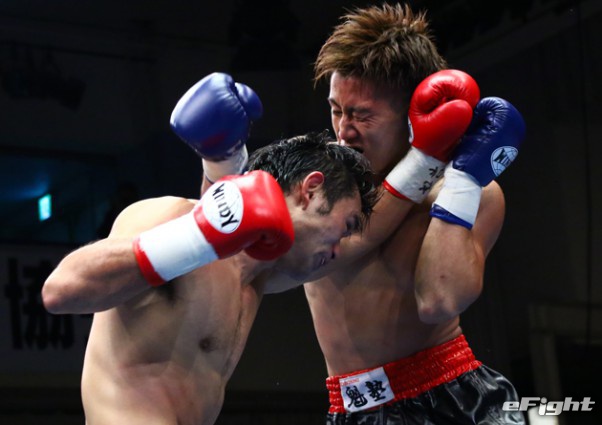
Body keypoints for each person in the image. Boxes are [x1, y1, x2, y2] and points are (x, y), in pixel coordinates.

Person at [41, 74, 379, 425]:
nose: (338, 249)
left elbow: (371, 240)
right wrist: (195, 234)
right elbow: (60, 289)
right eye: (346, 226)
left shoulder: (257, 277)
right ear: (310, 191)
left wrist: (418, 161)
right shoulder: (173, 216)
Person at [300, 3, 527, 424]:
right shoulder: (319, 181)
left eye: (362, 115)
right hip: (351, 408)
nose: (344, 131)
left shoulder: (469, 190)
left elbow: (439, 300)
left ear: (413, 115)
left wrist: (461, 182)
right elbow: (321, 255)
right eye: (336, 109)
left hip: (452, 398)